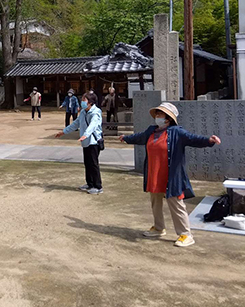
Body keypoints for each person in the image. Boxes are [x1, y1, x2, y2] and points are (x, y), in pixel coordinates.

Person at [120, 102, 221, 247]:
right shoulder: (151, 131)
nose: (157, 116)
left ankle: (186, 234)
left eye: (160, 114)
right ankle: (159, 228)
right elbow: (139, 137)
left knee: (176, 203)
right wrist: (126, 138)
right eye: (157, 114)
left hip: (171, 175)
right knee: (155, 202)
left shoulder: (177, 132)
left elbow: (193, 139)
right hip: (154, 173)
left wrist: (209, 141)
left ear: (168, 118)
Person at [55, 92, 103, 194]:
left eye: (84, 100)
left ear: (90, 102)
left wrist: (86, 134)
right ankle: (89, 184)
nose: (82, 102)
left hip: (93, 141)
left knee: (93, 164)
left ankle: (98, 186)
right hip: (85, 141)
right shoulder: (83, 112)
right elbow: (76, 124)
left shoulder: (96, 112)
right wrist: (63, 132)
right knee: (87, 163)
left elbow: (93, 124)